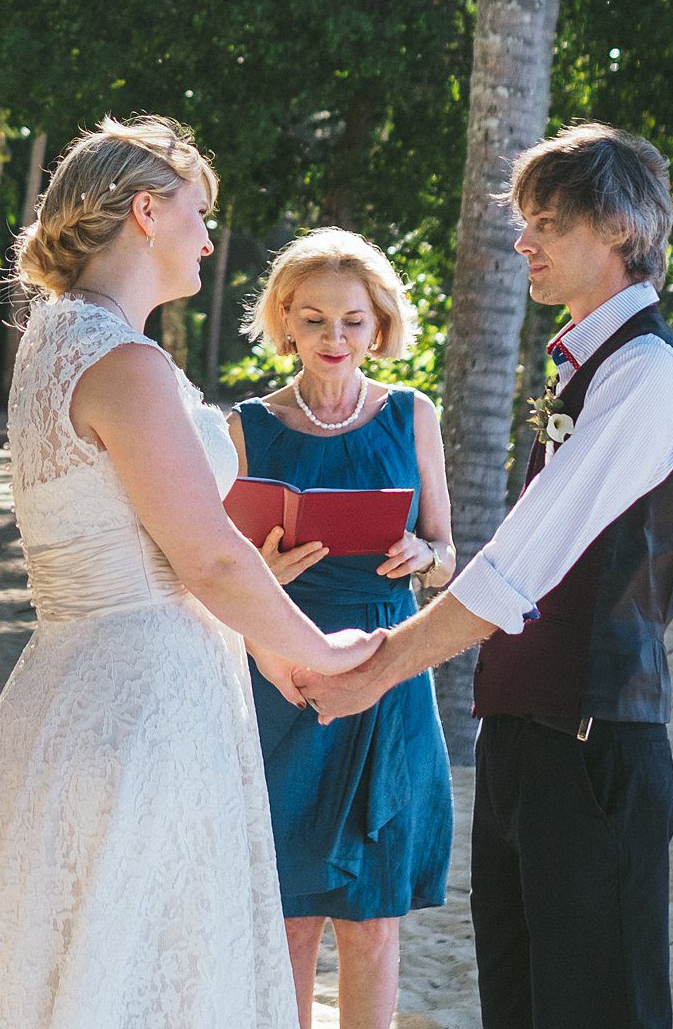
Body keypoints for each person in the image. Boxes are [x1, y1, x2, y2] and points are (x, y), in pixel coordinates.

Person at [0, 117, 384, 1029]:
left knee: (86, 955)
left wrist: (264, 651)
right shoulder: (124, 363)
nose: (210, 238)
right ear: (145, 211)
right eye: (199, 212)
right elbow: (208, 556)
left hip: (72, 684)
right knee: (149, 961)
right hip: (145, 702)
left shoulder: (54, 343)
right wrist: (320, 653)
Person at [304, 124, 673, 1029]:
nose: (522, 241)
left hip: (593, 741)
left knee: (598, 1007)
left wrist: (375, 669)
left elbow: (518, 564)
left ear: (617, 227)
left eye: (546, 222)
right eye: (523, 221)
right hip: (526, 735)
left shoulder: (646, 372)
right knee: (521, 1005)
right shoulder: (582, 366)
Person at [230, 229, 456, 1029]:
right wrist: (266, 575)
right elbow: (218, 575)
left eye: (353, 320)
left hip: (390, 678)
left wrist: (421, 554)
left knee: (373, 922)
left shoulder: (412, 414)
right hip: (285, 682)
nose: (334, 338)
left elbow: (449, 558)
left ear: (379, 326)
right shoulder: (247, 425)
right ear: (285, 321)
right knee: (288, 921)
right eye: (315, 318)